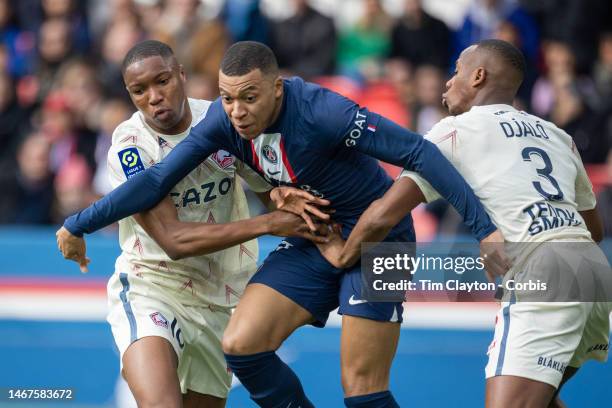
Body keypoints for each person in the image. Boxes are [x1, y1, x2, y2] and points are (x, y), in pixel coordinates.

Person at [57, 41, 504, 408]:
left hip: (387, 243)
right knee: (242, 344)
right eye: (228, 98)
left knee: (363, 387)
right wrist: (77, 223)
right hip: (312, 233)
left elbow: (422, 154)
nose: (236, 111)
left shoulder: (324, 112)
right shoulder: (220, 123)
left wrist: (484, 230)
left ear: (278, 89)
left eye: (249, 97)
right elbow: (156, 181)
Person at [316, 39, 610, 408]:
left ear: (478, 76)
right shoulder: (556, 135)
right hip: (593, 273)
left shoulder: (455, 131)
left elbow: (383, 215)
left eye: (456, 71)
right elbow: (594, 230)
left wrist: (341, 255)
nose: (447, 82)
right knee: (541, 398)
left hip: (542, 271)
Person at [57, 40, 328, 408]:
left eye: (162, 81)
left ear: (182, 75)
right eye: (140, 90)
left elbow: (272, 192)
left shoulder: (223, 121)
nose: (154, 97)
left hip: (223, 298)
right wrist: (267, 224)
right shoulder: (130, 147)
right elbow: (173, 240)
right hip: (153, 285)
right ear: (130, 94)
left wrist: (289, 205)